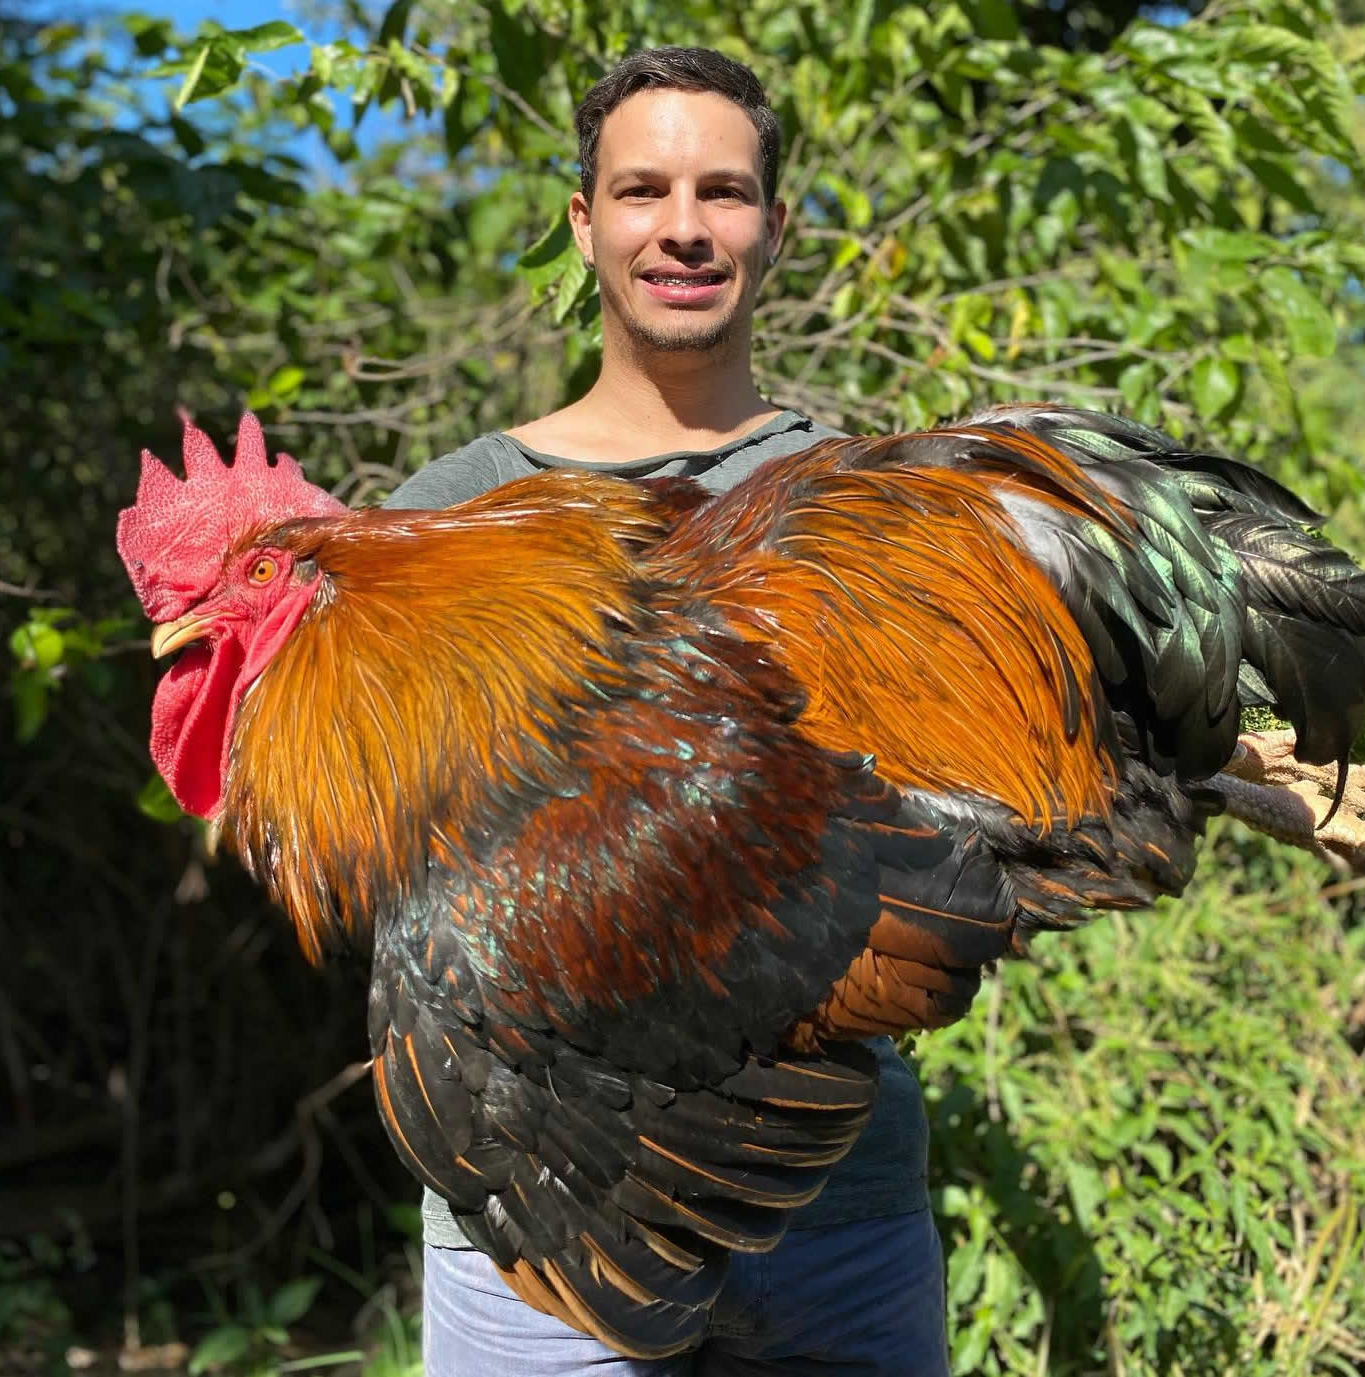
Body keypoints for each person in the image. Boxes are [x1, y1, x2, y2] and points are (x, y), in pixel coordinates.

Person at [382, 46, 948, 1377]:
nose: (683, 227)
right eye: (642, 190)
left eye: (723, 191)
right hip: (532, 1217)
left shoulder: (862, 495)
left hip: (833, 1202)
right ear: (585, 224)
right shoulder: (453, 507)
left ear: (776, 226)